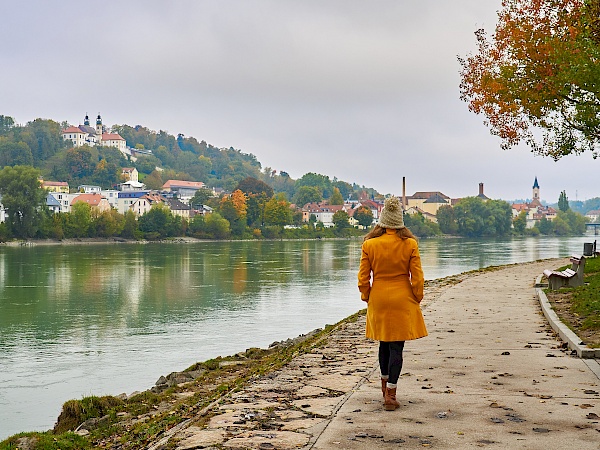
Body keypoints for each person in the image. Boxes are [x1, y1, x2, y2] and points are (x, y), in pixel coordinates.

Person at [357, 196, 427, 411]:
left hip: (378, 296)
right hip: (402, 297)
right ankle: (391, 395)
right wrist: (416, 296)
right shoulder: (410, 244)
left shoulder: (369, 244)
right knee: (397, 346)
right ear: (400, 222)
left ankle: (384, 388)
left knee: (383, 344)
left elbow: (362, 277)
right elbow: (418, 277)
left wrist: (367, 296)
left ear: (382, 220)